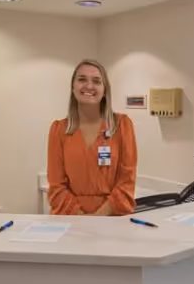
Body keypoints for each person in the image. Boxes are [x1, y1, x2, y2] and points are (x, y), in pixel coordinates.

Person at [47, 59, 137, 216]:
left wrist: (98, 218)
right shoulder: (59, 130)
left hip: (113, 219)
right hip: (71, 220)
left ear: (105, 90)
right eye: (82, 79)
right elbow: (56, 185)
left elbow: (127, 181)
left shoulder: (122, 126)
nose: (89, 86)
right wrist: (81, 219)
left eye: (96, 81)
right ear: (73, 87)